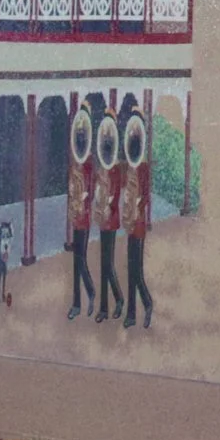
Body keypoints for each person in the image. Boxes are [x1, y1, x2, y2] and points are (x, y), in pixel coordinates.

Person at [120, 97, 155, 330]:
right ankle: (132, 313)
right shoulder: (130, 166)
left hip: (138, 224)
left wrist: (136, 208)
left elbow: (145, 197)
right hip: (129, 222)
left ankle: (147, 303)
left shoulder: (143, 167)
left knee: (136, 270)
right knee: (130, 268)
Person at [92, 99, 125, 325]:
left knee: (108, 264)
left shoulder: (114, 167)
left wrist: (107, 204)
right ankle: (104, 307)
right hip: (102, 218)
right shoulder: (102, 165)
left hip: (110, 220)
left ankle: (118, 299)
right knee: (103, 263)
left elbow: (115, 195)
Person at [66, 96, 97, 320]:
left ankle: (89, 292)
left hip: (83, 217)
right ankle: (77, 302)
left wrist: (83, 200)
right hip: (75, 215)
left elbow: (91, 190)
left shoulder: (88, 162)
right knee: (77, 260)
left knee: (80, 259)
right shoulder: (75, 161)